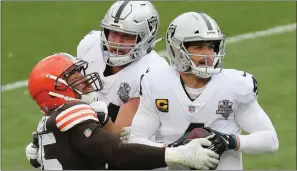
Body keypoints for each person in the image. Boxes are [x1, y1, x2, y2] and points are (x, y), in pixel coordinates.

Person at [128, 12, 279, 170]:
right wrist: (176, 150)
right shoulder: (156, 83)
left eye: (211, 47)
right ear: (177, 49)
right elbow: (136, 141)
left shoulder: (236, 86)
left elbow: (270, 140)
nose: (208, 55)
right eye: (198, 47)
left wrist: (231, 141)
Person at [25, 53, 220, 170]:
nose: (83, 80)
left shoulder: (48, 124)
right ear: (51, 90)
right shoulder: (71, 113)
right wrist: (175, 154)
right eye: (72, 77)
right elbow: (116, 154)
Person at [77, 1, 169, 128]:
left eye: (127, 35)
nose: (116, 42)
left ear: (145, 37)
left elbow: (117, 139)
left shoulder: (152, 72)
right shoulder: (90, 47)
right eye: (113, 32)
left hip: (124, 144)